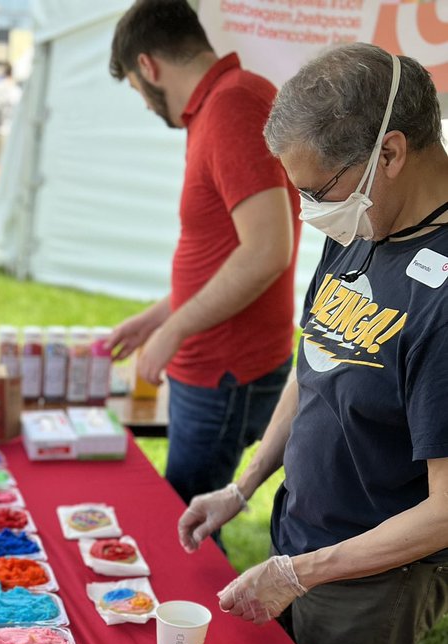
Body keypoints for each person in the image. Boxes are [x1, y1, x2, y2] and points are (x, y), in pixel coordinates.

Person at [179, 44, 448, 644]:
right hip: (303, 550)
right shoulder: (365, 223)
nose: (310, 213)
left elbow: (444, 510)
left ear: (389, 153)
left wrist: (303, 573)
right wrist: (242, 487)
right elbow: (316, 366)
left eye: (317, 189)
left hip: (373, 579)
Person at [106, 0, 300, 510]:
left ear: (148, 66)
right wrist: (157, 317)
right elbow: (221, 252)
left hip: (225, 367)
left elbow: (266, 250)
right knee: (186, 513)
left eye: (135, 89)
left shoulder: (233, 104)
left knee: (188, 523)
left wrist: (175, 330)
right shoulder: (220, 103)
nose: (146, 104)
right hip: (215, 361)